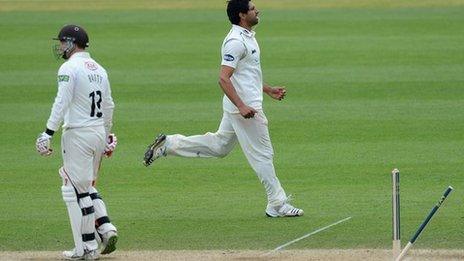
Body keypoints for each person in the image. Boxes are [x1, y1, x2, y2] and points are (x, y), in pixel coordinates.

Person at [143, 0, 303, 218]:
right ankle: (277, 203)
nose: (258, 11)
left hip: (243, 104)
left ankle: (170, 144)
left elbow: (246, 73)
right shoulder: (235, 42)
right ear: (242, 15)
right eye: (253, 9)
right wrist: (242, 105)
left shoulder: (247, 37)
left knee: (220, 147)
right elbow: (223, 78)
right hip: (245, 109)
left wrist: (267, 89)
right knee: (263, 154)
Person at [35, 24, 118, 259]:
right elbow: (109, 105)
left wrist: (47, 133)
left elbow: (61, 102)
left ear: (71, 43)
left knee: (77, 191)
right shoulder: (100, 69)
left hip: (77, 135)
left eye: (62, 42)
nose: (60, 46)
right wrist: (107, 136)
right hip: (97, 133)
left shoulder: (69, 68)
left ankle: (87, 248)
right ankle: (105, 228)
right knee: (86, 186)